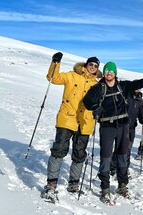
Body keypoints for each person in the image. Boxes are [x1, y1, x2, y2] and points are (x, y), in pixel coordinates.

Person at [83, 63, 143, 203]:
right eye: (106, 71)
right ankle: (105, 189)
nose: (109, 73)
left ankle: (122, 185)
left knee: (122, 156)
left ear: (115, 73)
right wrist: (96, 108)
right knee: (106, 157)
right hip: (107, 126)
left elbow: (136, 84)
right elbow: (87, 101)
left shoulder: (122, 86)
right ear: (103, 73)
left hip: (123, 125)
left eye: (111, 71)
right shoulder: (98, 88)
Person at [41, 53, 101, 201]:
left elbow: (101, 102)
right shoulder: (72, 76)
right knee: (59, 149)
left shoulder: (97, 84)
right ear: (86, 64)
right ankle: (51, 183)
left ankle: (74, 183)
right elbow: (53, 78)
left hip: (85, 122)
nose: (92, 67)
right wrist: (55, 63)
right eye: (91, 64)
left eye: (95, 66)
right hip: (67, 119)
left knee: (79, 153)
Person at [110, 88, 143, 177]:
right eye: (136, 87)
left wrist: (142, 119)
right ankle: (113, 168)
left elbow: (141, 111)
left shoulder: (139, 99)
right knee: (119, 147)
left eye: (139, 87)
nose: (137, 89)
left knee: (128, 149)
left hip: (131, 128)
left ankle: (125, 168)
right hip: (122, 126)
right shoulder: (126, 96)